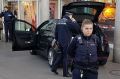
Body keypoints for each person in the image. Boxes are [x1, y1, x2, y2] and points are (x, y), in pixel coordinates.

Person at [51, 12, 80, 77]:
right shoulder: (69, 22)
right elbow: (77, 29)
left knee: (60, 55)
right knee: (65, 57)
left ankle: (54, 68)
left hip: (59, 42)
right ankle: (65, 73)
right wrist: (74, 21)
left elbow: (56, 32)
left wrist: (57, 40)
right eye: (71, 16)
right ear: (70, 16)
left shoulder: (59, 21)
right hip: (66, 42)